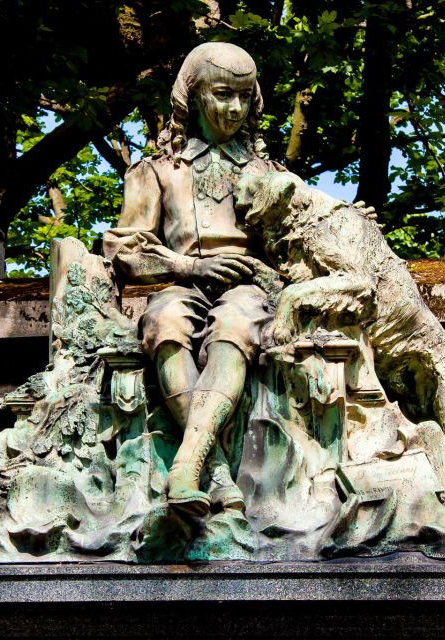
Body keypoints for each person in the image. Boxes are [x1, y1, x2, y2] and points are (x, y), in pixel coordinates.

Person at [103, 42, 280, 516]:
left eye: (245, 97)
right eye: (223, 95)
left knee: (236, 326)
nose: (235, 109)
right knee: (164, 323)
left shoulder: (270, 175)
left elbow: (295, 244)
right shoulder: (156, 172)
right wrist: (188, 267)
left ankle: (186, 467)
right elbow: (123, 249)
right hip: (179, 282)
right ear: (193, 96)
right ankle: (216, 469)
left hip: (247, 288)